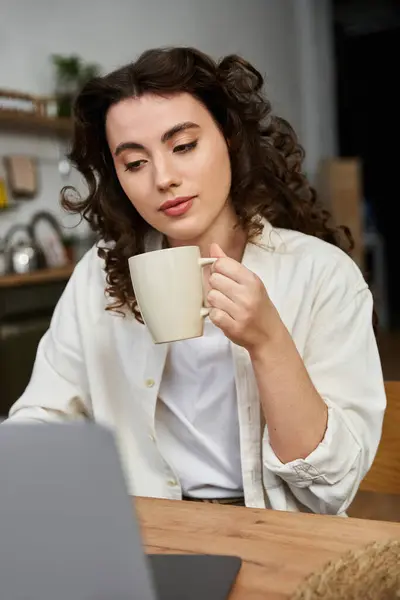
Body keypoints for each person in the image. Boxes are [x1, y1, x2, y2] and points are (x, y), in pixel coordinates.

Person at [4, 47, 385, 514]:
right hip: (146, 526)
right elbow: (43, 416)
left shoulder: (322, 275)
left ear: (227, 138)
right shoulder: (99, 274)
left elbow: (332, 489)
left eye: (183, 146)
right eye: (135, 162)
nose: (163, 178)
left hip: (279, 529)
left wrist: (268, 343)